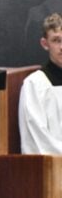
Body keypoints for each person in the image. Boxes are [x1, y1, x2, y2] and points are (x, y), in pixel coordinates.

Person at [18, 12, 62, 154]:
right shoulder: (35, 85)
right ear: (45, 43)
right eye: (56, 40)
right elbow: (38, 143)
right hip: (52, 165)